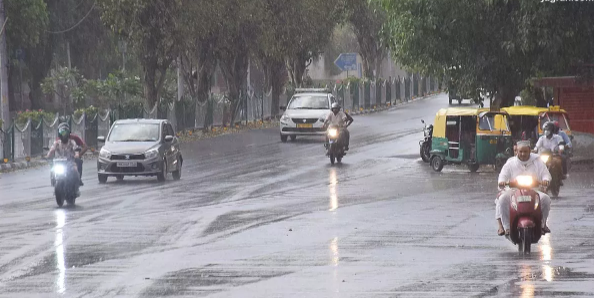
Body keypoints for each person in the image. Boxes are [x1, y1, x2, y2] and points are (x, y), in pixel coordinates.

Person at [496, 141, 552, 236]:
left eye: (525, 151)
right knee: (502, 199)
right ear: (516, 151)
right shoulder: (510, 163)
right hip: (513, 191)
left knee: (546, 199)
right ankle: (507, 227)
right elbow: (503, 175)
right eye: (520, 151)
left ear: (530, 151)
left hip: (534, 189)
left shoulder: (537, 161)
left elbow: (546, 174)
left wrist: (546, 180)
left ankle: (542, 224)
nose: (523, 154)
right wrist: (502, 181)